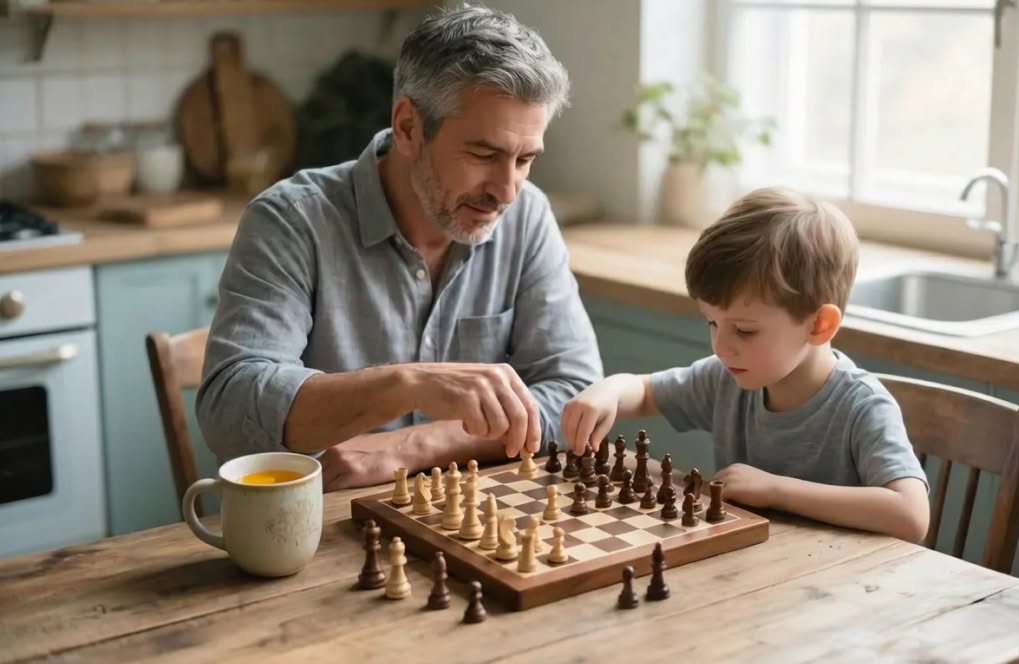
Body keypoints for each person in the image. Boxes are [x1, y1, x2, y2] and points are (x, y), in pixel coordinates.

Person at [197, 6, 602, 491]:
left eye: (525, 159)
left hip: (476, 522)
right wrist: (405, 384)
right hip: (325, 528)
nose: (507, 190)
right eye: (484, 154)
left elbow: (577, 398)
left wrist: (415, 446)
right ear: (409, 126)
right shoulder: (292, 219)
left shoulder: (527, 215)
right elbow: (231, 415)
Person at [560, 187, 930, 542]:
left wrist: (775, 489)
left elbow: (912, 516)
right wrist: (608, 391)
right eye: (712, 323)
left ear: (819, 325)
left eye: (744, 330)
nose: (721, 346)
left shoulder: (862, 407)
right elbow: (642, 393)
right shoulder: (725, 380)